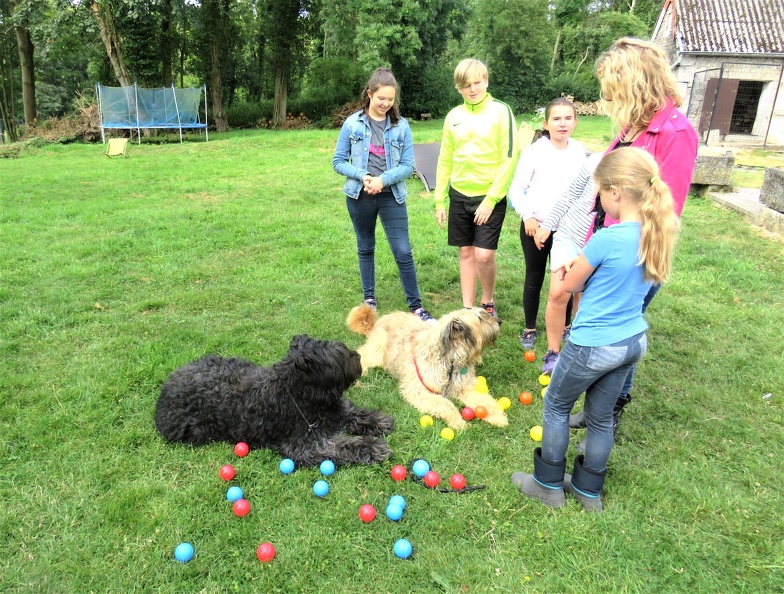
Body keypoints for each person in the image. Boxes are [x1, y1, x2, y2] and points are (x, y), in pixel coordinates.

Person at [511, 147, 679, 512]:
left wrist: (567, 269)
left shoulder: (605, 238)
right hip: (632, 341)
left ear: (616, 192)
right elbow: (637, 283)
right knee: (601, 418)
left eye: (600, 191)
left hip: (592, 345)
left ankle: (547, 486)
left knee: (556, 406)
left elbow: (571, 285)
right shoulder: (654, 236)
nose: (599, 199)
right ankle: (589, 492)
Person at [568, 37, 699, 440]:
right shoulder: (633, 126)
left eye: (611, 85)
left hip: (632, 259)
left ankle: (609, 410)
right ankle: (597, 409)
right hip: (605, 247)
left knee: (617, 332)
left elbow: (663, 213)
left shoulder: (675, 132)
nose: (606, 95)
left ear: (634, 82)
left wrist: (616, 258)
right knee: (596, 327)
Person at [333, 67, 435, 324]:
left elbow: (408, 165)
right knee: (365, 247)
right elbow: (337, 161)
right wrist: (362, 175)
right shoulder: (352, 123)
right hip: (360, 195)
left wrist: (383, 180)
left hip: (392, 197)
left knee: (403, 251)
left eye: (390, 100)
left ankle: (416, 307)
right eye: (381, 99)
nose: (386, 104)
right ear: (369, 94)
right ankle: (369, 300)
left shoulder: (401, 126)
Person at [434, 59, 517, 319]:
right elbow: (445, 158)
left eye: (477, 83)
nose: (472, 89)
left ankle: (488, 300)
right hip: (459, 194)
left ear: (486, 81)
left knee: (483, 254)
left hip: (489, 195)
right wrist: (439, 200)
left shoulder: (502, 112)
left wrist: (491, 199)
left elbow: (510, 157)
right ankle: (468, 309)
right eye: (466, 85)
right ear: (458, 88)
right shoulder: (453, 117)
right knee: (466, 252)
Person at [508, 97, 586, 355]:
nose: (562, 124)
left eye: (567, 118)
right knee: (534, 277)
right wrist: (528, 216)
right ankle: (530, 327)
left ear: (575, 121)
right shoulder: (535, 151)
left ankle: (564, 325)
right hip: (537, 226)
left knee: (566, 279)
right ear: (546, 123)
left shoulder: (579, 151)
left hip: (569, 230)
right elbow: (517, 189)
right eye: (556, 118)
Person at [533, 152, 602, 375]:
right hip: (570, 234)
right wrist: (548, 225)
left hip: (600, 241)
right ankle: (553, 352)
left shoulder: (634, 163)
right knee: (558, 292)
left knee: (586, 295)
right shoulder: (595, 160)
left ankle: (578, 347)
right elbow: (570, 194)